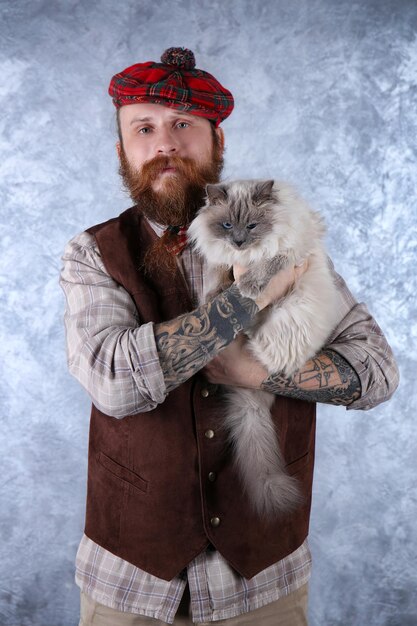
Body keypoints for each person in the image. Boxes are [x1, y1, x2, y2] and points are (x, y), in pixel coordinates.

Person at [60, 47, 399, 626]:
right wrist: (252, 298)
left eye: (184, 126)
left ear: (218, 143)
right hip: (131, 584)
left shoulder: (289, 237)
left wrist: (263, 374)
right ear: (122, 151)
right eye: (145, 128)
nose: (165, 143)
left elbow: (377, 373)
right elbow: (113, 383)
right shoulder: (92, 254)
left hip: (264, 582)